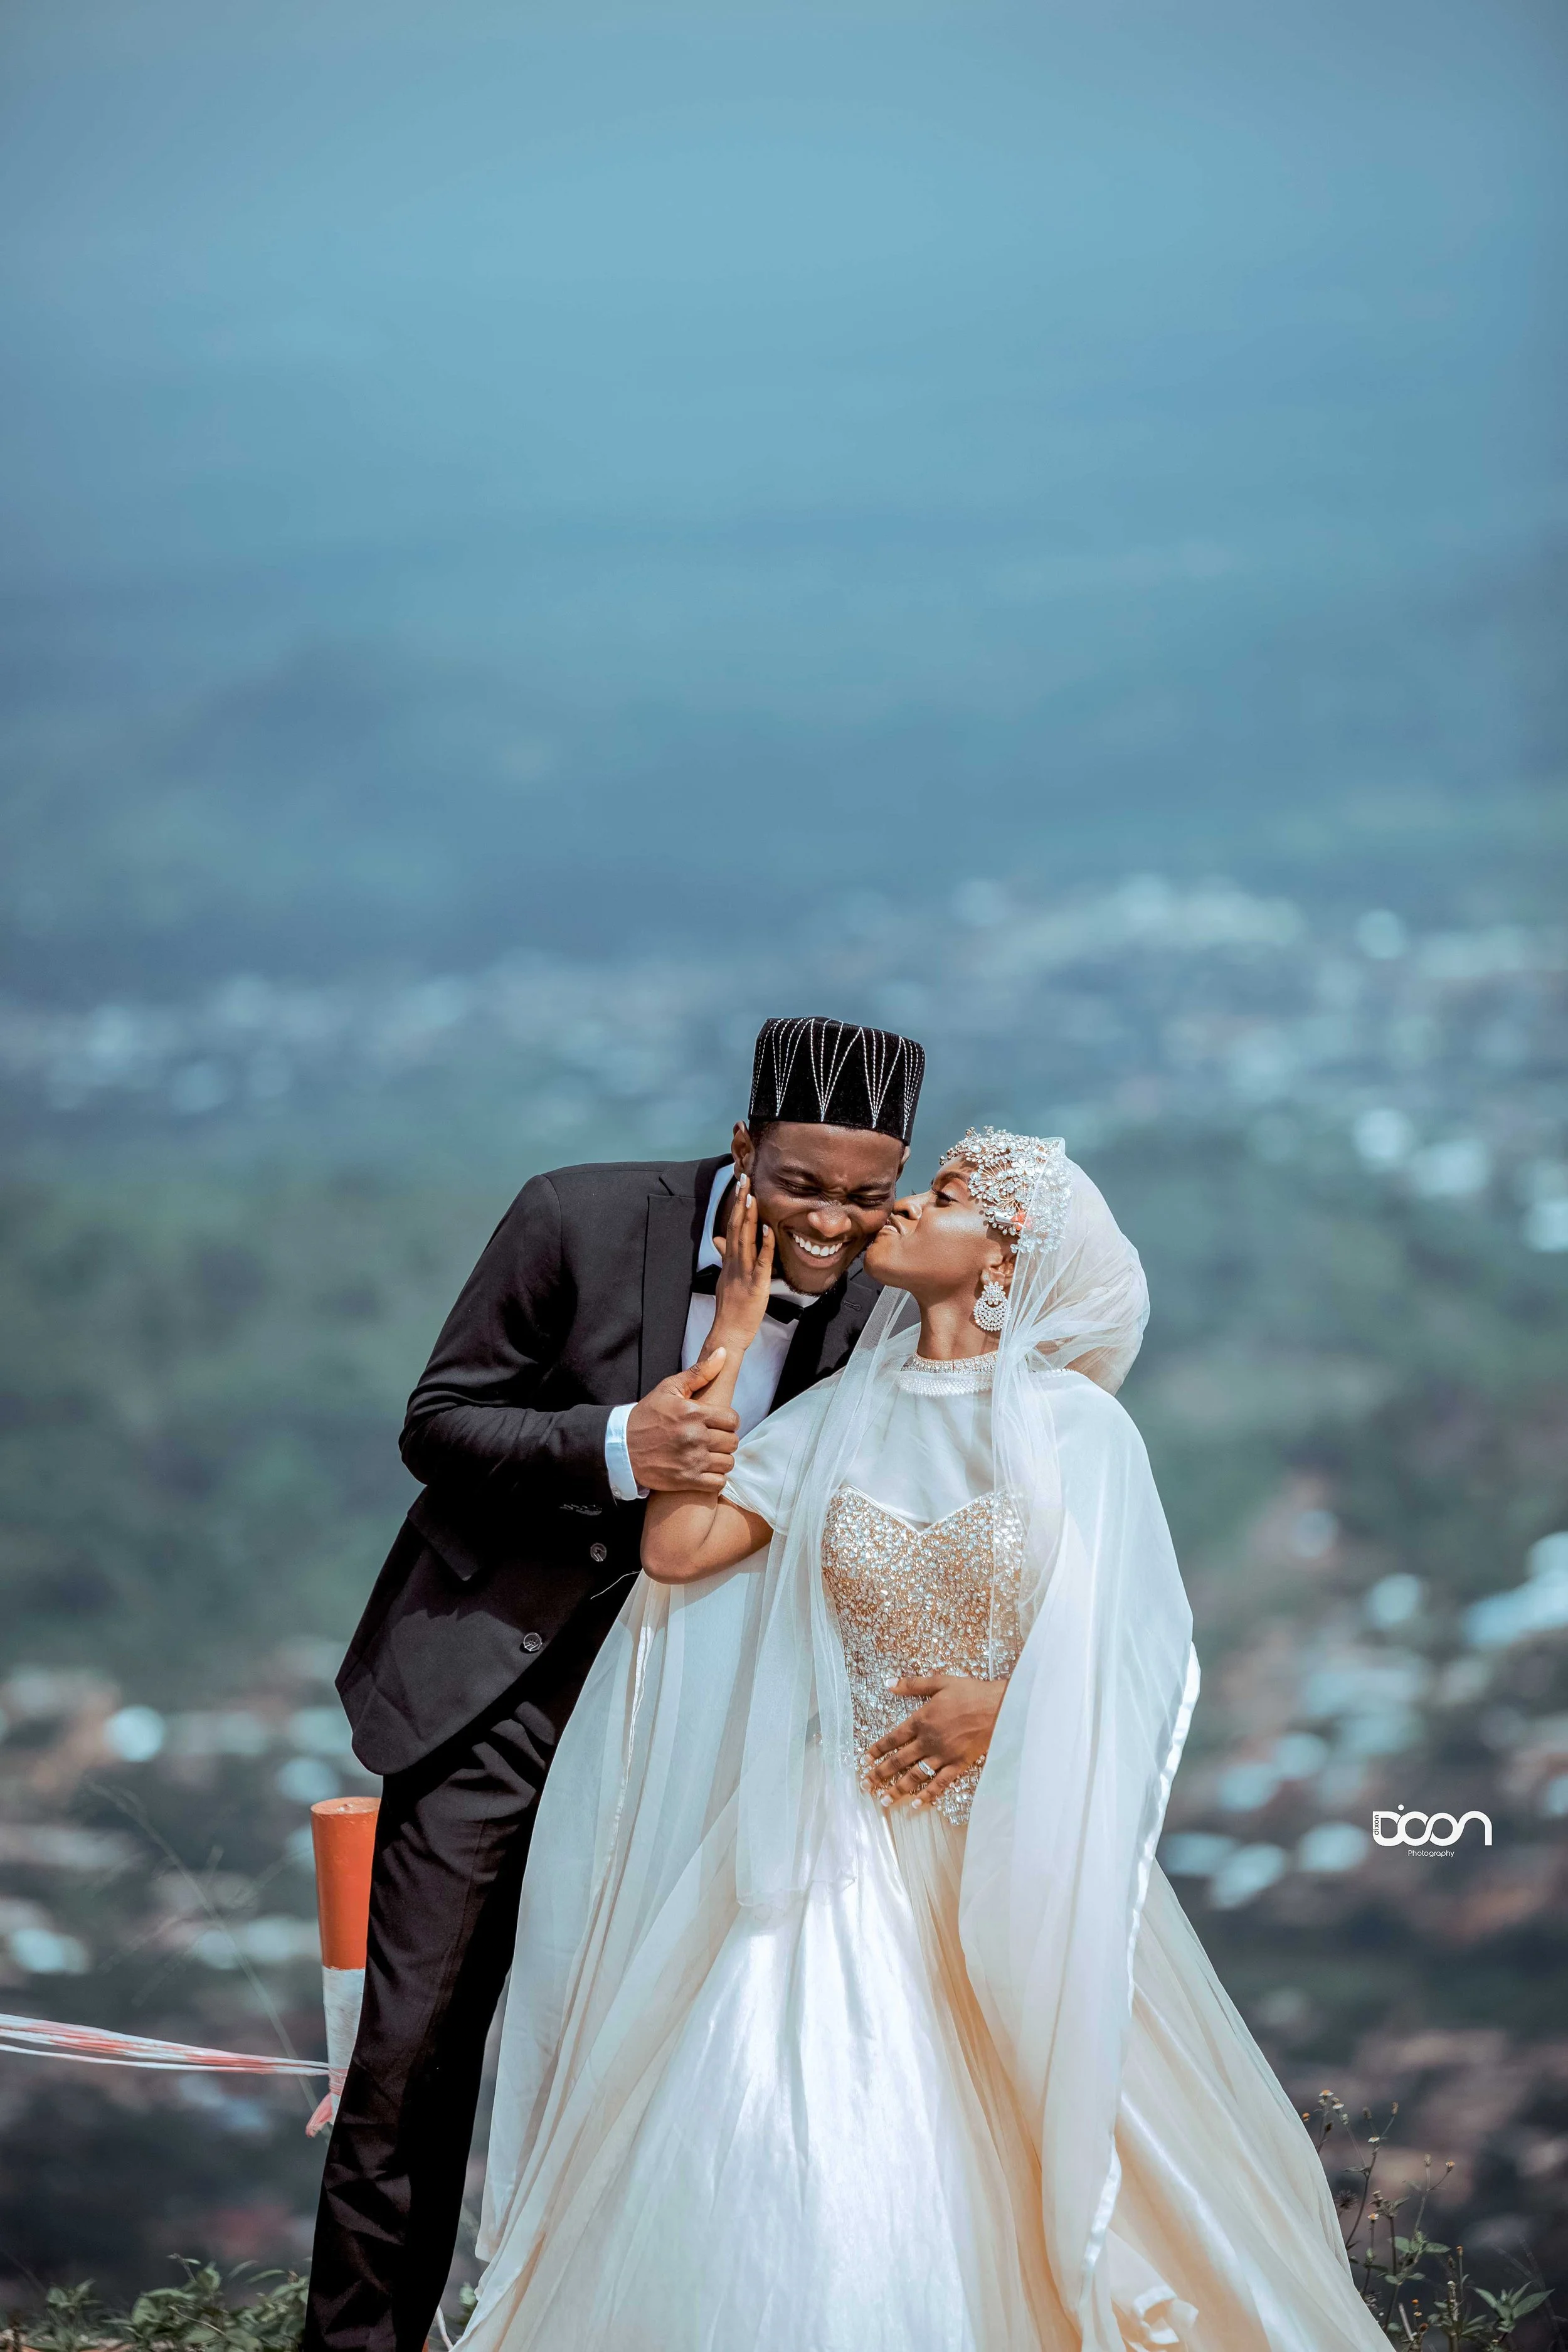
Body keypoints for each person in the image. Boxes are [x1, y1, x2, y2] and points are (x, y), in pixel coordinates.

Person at [460, 1128, 1389, 2352]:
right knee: (781, 2113)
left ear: (1005, 1256)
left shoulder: (1078, 1433)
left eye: (945, 1196)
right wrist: (732, 1337)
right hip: (822, 1839)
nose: (902, 1205)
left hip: (1010, 1839)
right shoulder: (839, 1415)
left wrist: (1004, 1709)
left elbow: (1135, 1652)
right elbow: (674, 1552)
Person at [303, 1015, 927, 2352]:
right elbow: (439, 1423)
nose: (831, 1222)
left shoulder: (892, 1300)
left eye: (866, 1195)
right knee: (411, 2060)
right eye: (801, 1183)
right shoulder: (574, 1218)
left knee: (654, 2066)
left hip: (716, 1731)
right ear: (741, 1143)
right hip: (498, 1695)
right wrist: (615, 1444)